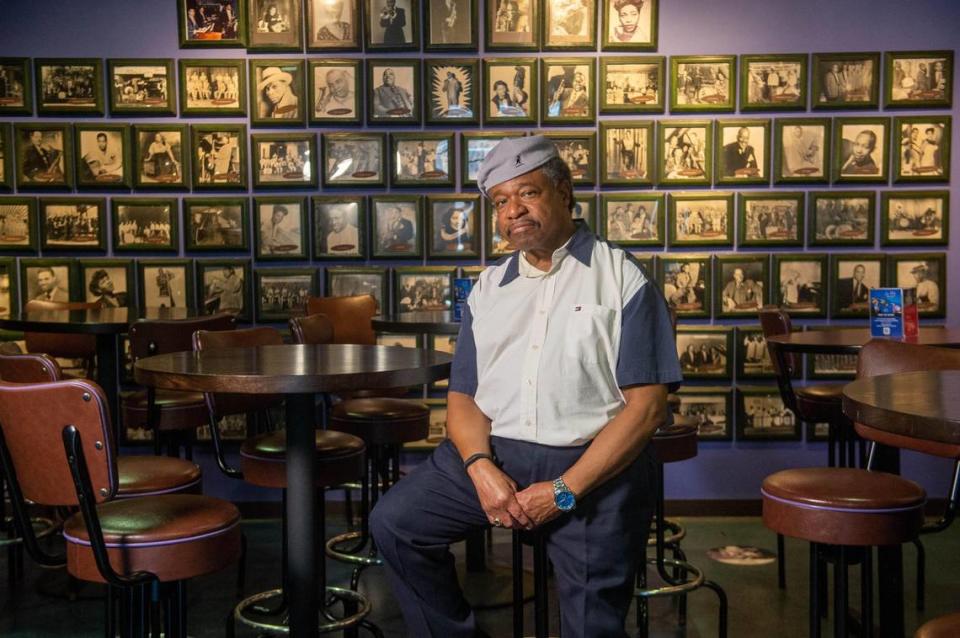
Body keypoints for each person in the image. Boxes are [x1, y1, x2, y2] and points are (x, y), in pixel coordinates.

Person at [370, 135, 682, 637]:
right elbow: (464, 397)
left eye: (528, 193)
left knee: (592, 626)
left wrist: (564, 491)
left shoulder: (622, 278)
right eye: (500, 202)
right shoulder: (487, 290)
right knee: (396, 523)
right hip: (495, 456)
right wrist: (479, 466)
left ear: (564, 191)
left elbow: (647, 410)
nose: (513, 210)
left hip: (591, 467)